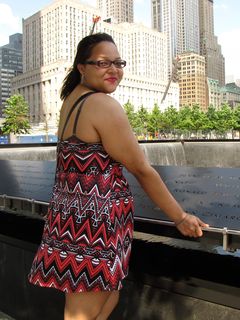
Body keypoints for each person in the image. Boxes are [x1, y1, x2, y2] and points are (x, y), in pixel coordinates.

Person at [28, 32, 209, 320]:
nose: (114, 70)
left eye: (118, 62)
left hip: (71, 217)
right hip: (95, 225)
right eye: (103, 63)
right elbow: (141, 169)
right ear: (82, 67)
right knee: (80, 314)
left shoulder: (72, 100)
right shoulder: (102, 104)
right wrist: (180, 217)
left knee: (106, 296)